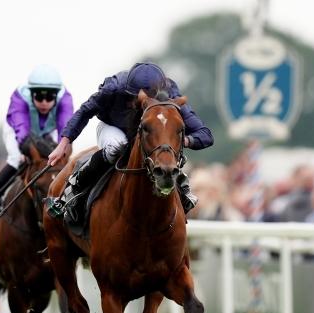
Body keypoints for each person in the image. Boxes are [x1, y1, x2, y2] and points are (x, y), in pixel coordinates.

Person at [47, 62, 214, 216]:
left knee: (166, 148)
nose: (141, 104)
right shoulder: (113, 88)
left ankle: (183, 192)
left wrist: (183, 141)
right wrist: (63, 144)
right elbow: (85, 112)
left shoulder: (170, 95)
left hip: (149, 134)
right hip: (113, 127)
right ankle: (72, 191)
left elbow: (205, 134)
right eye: (136, 99)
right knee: (116, 146)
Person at [0, 64, 74, 247]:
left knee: (60, 163)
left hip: (48, 132)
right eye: (39, 96)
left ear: (57, 95)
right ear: (31, 93)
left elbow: (66, 131)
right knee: (16, 160)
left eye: (50, 97)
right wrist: (28, 151)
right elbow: (22, 133)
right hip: (17, 132)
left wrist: (62, 151)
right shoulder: (20, 97)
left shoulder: (65, 99)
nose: (45, 102)